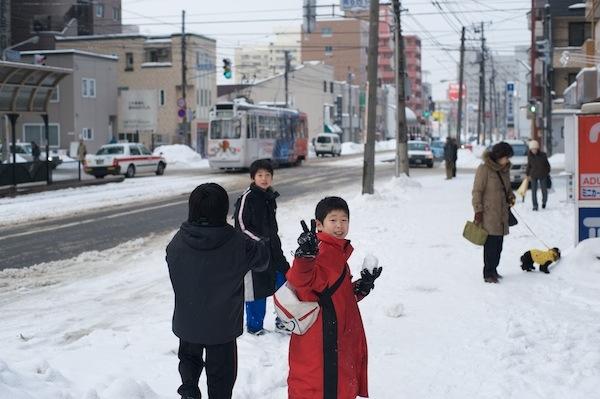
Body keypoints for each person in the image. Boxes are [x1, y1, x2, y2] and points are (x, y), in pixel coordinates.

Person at [166, 183, 270, 399]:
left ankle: (189, 391)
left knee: (188, 359)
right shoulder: (238, 243)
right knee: (221, 375)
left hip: (188, 321)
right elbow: (262, 260)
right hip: (223, 326)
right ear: (224, 210)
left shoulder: (177, 242)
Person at [286, 196, 383, 399]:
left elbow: (336, 296)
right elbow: (300, 282)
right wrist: (303, 258)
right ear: (319, 224)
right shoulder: (320, 252)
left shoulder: (337, 253)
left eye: (344, 220)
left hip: (336, 339)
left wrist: (362, 286)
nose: (339, 226)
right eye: (333, 220)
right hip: (321, 342)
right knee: (319, 389)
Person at [233, 159, 290, 335]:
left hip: (274, 251)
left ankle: (283, 321)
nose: (264, 178)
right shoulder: (247, 198)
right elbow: (241, 226)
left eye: (267, 175)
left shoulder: (270, 197)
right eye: (260, 175)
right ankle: (254, 327)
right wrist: (260, 241)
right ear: (253, 177)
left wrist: (272, 244)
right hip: (255, 254)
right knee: (257, 291)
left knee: (284, 284)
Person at [472, 142, 516, 284]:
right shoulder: (484, 169)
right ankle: (488, 273)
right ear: (498, 156)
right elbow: (477, 191)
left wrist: (511, 196)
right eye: (506, 157)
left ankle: (494, 270)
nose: (507, 160)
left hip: (502, 213)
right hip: (488, 214)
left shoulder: (505, 170)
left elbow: (507, 189)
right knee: (490, 245)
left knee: (499, 245)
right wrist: (478, 210)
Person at [526, 140, 551, 211]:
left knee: (544, 190)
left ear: (537, 148)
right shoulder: (530, 156)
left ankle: (544, 202)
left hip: (543, 175)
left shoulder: (543, 155)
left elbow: (547, 165)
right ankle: (535, 205)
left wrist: (547, 172)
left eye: (535, 149)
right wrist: (527, 173)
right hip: (533, 175)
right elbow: (529, 165)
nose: (534, 150)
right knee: (533, 191)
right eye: (532, 149)